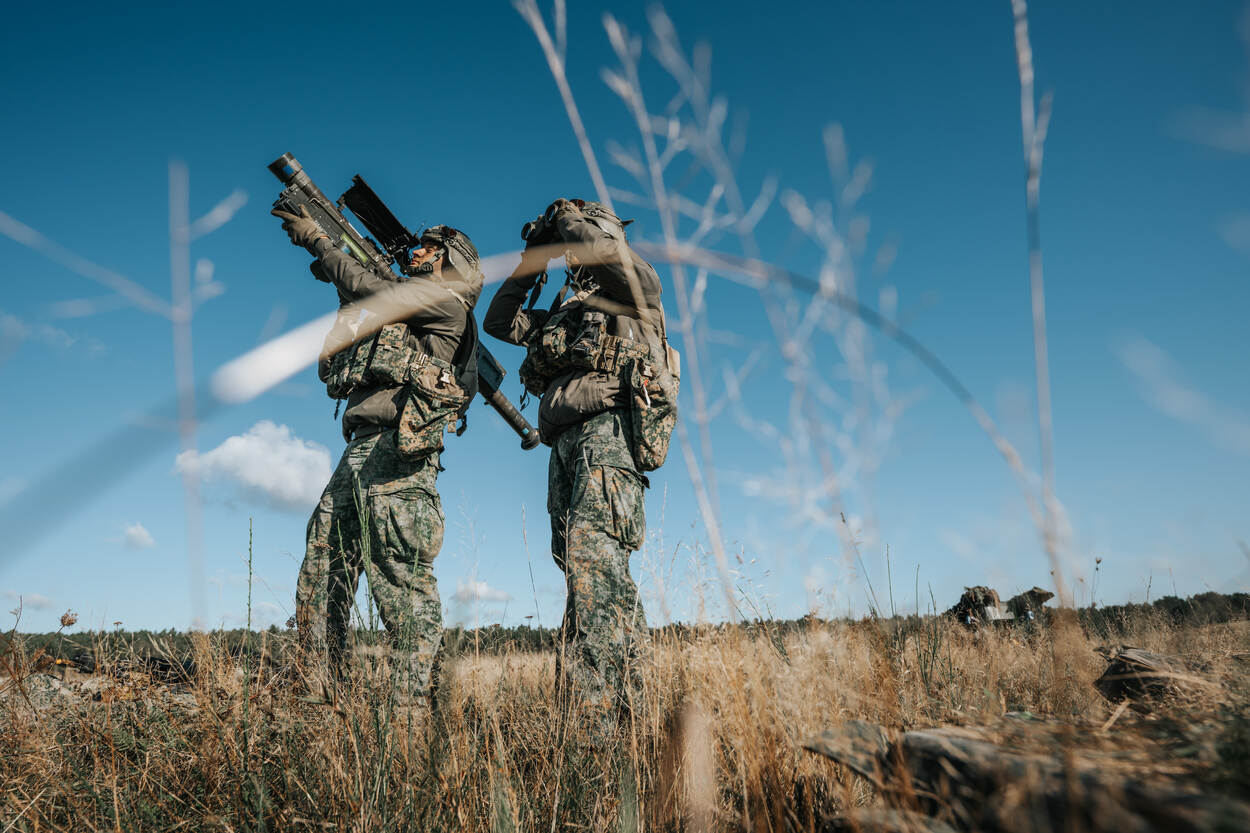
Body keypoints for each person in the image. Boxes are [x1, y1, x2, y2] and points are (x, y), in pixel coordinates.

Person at [272, 205, 483, 708]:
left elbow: (377, 293)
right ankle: (319, 691)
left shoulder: (446, 304)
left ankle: (411, 709)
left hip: (400, 449)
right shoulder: (404, 308)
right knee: (323, 561)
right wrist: (339, 273)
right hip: (360, 447)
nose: (416, 251)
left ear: (449, 262)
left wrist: (323, 245)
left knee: (399, 574)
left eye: (428, 247)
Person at [483, 198, 677, 740]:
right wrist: (532, 258)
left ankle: (597, 725)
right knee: (583, 575)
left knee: (596, 567)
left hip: (608, 435)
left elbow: (609, 252)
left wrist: (564, 220)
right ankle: (617, 708)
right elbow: (500, 322)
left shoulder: (634, 290)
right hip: (564, 444)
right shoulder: (568, 311)